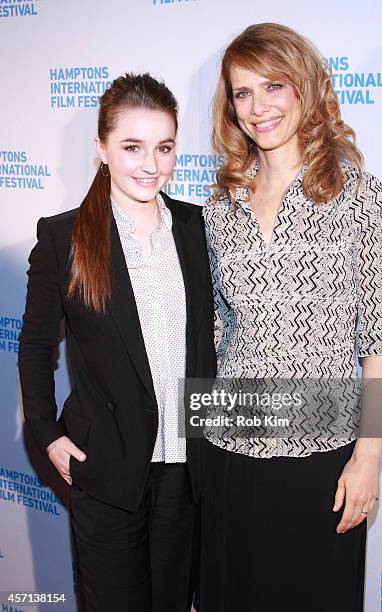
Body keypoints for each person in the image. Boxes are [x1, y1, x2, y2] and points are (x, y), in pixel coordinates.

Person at [199, 23, 382, 612]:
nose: (258, 107)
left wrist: (368, 459)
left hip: (323, 458)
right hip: (229, 452)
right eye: (242, 93)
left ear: (305, 88)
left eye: (273, 86)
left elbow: (378, 336)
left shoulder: (356, 194)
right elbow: (214, 331)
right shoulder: (221, 207)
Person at [18, 72, 216, 612]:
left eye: (164, 147)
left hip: (188, 471)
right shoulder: (64, 238)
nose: (150, 164)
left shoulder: (200, 229)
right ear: (101, 147)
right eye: (132, 147)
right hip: (106, 472)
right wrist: (47, 433)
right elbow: (35, 347)